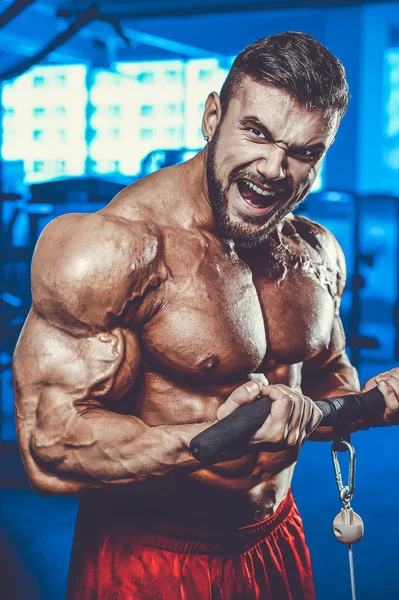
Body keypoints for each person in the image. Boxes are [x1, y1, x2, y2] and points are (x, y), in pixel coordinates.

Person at [13, 31, 399, 600]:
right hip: (153, 554)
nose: (273, 168)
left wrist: (370, 402)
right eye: (257, 133)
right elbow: (51, 447)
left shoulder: (316, 251)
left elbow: (326, 385)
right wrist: (215, 437)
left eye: (304, 152)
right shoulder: (114, 251)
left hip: (275, 538)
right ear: (212, 116)